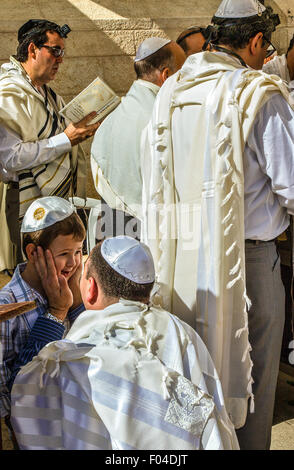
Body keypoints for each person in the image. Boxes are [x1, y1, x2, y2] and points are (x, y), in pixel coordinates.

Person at [140, 0, 294, 450]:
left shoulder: (171, 92)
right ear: (255, 43)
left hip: (179, 256)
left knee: (190, 367)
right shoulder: (257, 94)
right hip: (245, 263)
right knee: (251, 376)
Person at [10, 235, 239, 450]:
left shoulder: (78, 356)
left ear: (90, 289)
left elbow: (23, 396)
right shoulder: (181, 332)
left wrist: (57, 311)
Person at [0, 19, 99, 265]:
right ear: (32, 50)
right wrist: (66, 139)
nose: (60, 59)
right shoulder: (8, 92)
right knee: (32, 274)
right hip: (23, 199)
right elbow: (11, 159)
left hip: (53, 201)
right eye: (55, 51)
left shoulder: (49, 95)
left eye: (62, 52)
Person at [0, 196, 86, 436]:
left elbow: (86, 350)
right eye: (64, 254)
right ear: (33, 252)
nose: (73, 262)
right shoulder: (7, 304)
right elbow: (15, 386)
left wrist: (77, 302)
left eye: (79, 251)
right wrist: (57, 312)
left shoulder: (71, 288)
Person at [90, 37, 186, 241]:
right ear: (166, 75)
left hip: (113, 227)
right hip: (148, 233)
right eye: (183, 74)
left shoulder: (111, 118)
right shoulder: (163, 121)